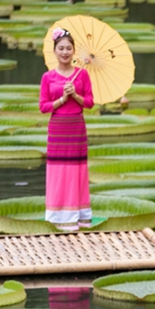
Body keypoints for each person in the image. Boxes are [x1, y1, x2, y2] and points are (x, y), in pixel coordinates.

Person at [39, 28, 95, 232]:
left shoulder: (82, 74)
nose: (65, 52)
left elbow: (89, 103)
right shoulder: (48, 77)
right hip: (57, 128)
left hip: (76, 127)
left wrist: (75, 96)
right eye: (61, 48)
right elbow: (43, 106)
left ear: (74, 52)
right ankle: (57, 216)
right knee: (58, 170)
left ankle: (77, 217)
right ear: (54, 51)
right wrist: (62, 99)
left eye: (68, 48)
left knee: (76, 171)